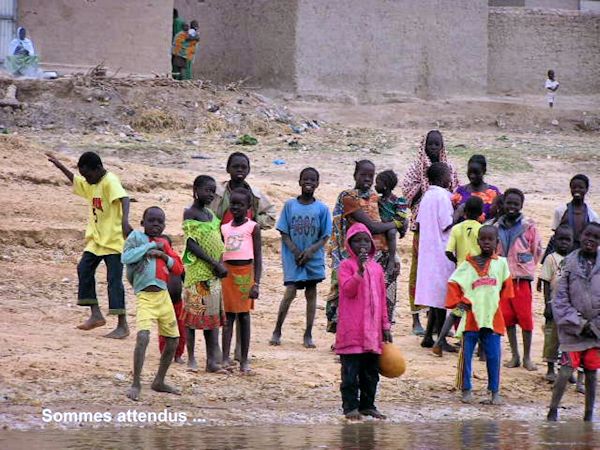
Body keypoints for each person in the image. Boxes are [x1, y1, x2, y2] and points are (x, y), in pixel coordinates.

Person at [46, 151, 132, 338]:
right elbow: (77, 181)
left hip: (113, 240)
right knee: (84, 269)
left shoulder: (110, 181)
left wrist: (125, 222)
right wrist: (60, 166)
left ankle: (122, 325)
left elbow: (124, 198)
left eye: (89, 175)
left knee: (114, 282)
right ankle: (96, 314)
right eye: (85, 176)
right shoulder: (92, 183)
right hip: (96, 240)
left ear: (99, 169)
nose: (87, 179)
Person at [210, 151, 275, 361]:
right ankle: (225, 352)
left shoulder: (254, 195)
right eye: (236, 167)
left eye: (243, 167)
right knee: (227, 307)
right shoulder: (220, 192)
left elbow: (271, 215)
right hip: (224, 248)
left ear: (249, 170)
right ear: (228, 169)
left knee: (242, 308)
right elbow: (210, 216)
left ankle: (240, 350)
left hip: (245, 254)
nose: (240, 171)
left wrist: (255, 222)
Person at [326, 160, 397, 336]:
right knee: (347, 295)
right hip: (350, 254)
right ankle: (342, 336)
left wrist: (394, 227)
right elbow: (373, 227)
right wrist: (394, 224)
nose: (367, 179)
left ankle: (375, 335)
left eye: (370, 176)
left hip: (377, 254)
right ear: (354, 175)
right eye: (363, 175)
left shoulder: (375, 198)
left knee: (374, 296)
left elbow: (391, 226)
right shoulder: (348, 198)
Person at [446, 225, 514, 405]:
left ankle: (494, 392)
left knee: (494, 356)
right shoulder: (468, 265)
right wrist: (459, 301)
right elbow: (453, 282)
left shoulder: (501, 264)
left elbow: (507, 289)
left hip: (492, 317)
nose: (486, 242)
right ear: (477, 242)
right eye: (483, 239)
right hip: (471, 318)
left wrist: (494, 303)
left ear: (496, 242)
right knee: (466, 356)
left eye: (490, 239)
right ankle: (466, 389)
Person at [121, 207, 183, 401]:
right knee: (143, 338)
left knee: (173, 340)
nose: (155, 224)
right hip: (145, 296)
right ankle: (136, 382)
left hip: (163, 295)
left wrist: (164, 255)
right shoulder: (136, 237)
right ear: (143, 222)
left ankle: (159, 380)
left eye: (159, 222)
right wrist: (149, 248)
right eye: (151, 221)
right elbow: (126, 257)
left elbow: (178, 268)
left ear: (164, 225)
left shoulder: (164, 243)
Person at [401, 130, 459, 335]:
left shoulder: (449, 168)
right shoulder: (416, 168)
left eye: (437, 145)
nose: (433, 148)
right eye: (430, 144)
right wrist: (425, 185)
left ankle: (436, 321)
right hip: (423, 228)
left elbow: (456, 193)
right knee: (419, 272)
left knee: (442, 273)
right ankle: (416, 317)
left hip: (445, 232)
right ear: (424, 145)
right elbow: (406, 193)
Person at [270, 168, 332, 348]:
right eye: (306, 179)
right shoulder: (290, 205)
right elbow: (284, 231)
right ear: (299, 182)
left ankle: (308, 333)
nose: (309, 183)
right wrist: (296, 251)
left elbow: (325, 236)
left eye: (313, 180)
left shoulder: (322, 208)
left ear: (318, 184)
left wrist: (310, 251)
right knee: (290, 292)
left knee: (311, 293)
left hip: (313, 258)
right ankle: (277, 330)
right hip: (293, 257)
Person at [336, 223, 392, 420]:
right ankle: (350, 407)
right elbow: (348, 290)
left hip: (373, 331)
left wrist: (385, 326)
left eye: (366, 241)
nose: (362, 245)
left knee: (371, 372)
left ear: (371, 244)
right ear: (350, 244)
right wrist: (359, 271)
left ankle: (368, 405)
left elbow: (383, 300)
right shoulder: (345, 266)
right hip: (353, 329)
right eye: (357, 241)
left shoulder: (377, 269)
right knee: (350, 373)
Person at [547, 222, 600, 422]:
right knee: (565, 371)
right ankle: (552, 411)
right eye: (588, 235)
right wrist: (579, 323)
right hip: (572, 332)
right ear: (581, 236)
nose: (591, 240)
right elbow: (560, 299)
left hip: (596, 334)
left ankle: (589, 415)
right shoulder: (568, 263)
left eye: (596, 237)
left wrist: (593, 325)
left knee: (592, 374)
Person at [181, 175, 228, 374]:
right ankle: (191, 358)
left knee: (212, 319)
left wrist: (220, 263)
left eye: (213, 191)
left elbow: (219, 240)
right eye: (207, 190)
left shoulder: (210, 214)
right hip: (198, 274)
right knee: (193, 316)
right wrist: (213, 262)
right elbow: (191, 244)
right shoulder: (190, 213)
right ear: (196, 189)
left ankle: (212, 361)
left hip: (214, 275)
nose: (211, 195)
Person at [494, 188, 542, 371]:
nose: (512, 207)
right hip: (504, 280)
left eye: (516, 204)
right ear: (503, 204)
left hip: (522, 280)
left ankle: (528, 356)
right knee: (508, 318)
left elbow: (536, 249)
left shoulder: (529, 226)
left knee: (525, 318)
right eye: (509, 203)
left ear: (521, 206)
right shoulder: (496, 227)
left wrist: (526, 267)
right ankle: (515, 355)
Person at [433, 196, 484, 356]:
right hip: (477, 272)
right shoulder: (481, 230)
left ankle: (440, 340)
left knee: (458, 308)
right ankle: (482, 350)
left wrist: (458, 261)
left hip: (461, 272)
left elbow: (448, 252)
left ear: (465, 212)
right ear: (481, 213)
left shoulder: (457, 228)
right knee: (479, 309)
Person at [221, 188, 262, 374]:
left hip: (246, 274)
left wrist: (257, 282)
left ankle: (244, 360)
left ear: (248, 207)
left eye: (240, 204)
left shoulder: (253, 227)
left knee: (244, 316)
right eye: (233, 204)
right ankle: (225, 358)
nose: (236, 207)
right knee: (228, 316)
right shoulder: (224, 228)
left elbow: (258, 257)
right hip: (227, 275)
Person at [415, 162, 456, 348]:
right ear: (441, 179)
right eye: (449, 175)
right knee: (440, 298)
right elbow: (447, 223)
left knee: (433, 297)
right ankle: (441, 338)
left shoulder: (427, 196)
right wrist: (460, 213)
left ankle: (428, 337)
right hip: (441, 251)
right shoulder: (442, 196)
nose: (451, 179)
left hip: (428, 251)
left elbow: (420, 223)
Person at [539, 225, 574, 383]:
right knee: (552, 338)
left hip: (569, 307)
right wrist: (547, 304)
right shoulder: (550, 259)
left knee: (568, 339)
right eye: (561, 239)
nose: (564, 243)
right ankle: (550, 369)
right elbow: (546, 282)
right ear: (555, 241)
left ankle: (567, 369)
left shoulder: (574, 259)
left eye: (568, 240)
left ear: (572, 242)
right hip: (554, 306)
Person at [375, 169, 409, 323]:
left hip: (391, 229)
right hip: (384, 232)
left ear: (386, 185)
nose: (376, 185)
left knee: (391, 232)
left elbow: (402, 219)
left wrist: (390, 224)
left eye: (378, 183)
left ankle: (390, 259)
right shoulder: (377, 200)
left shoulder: (397, 201)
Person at [158, 235, 186, 364]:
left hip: (178, 303)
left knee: (181, 329)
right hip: (163, 302)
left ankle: (178, 354)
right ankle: (165, 353)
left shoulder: (176, 262)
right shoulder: (156, 264)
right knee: (165, 329)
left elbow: (184, 277)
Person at [451, 155, 501, 222]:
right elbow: (453, 218)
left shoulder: (494, 192)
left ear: (484, 171)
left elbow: (499, 217)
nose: (472, 176)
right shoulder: (460, 191)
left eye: (476, 172)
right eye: (470, 172)